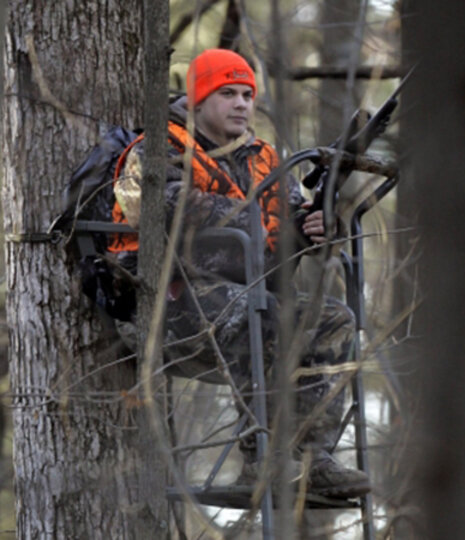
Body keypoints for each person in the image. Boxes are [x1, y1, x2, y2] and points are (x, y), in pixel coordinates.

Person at [108, 48, 370, 498]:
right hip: (159, 298)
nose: (241, 104)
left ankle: (312, 457)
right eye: (226, 93)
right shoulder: (158, 148)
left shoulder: (265, 158)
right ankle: (262, 459)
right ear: (196, 100)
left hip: (241, 293)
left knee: (333, 318)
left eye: (247, 94)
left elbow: (281, 234)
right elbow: (160, 205)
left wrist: (312, 228)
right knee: (257, 312)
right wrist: (254, 219)